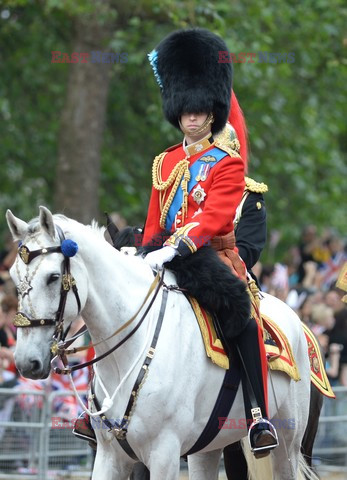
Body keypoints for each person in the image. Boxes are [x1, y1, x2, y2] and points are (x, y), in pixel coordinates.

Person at [142, 27, 278, 456]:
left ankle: (258, 416)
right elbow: (152, 218)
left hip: (209, 255)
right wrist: (146, 251)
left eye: (200, 112)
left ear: (212, 113)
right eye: (186, 112)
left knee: (239, 309)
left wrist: (178, 247)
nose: (193, 118)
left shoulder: (227, 161)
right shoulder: (165, 161)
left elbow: (217, 215)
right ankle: (99, 410)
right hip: (163, 255)